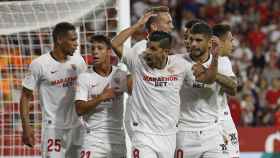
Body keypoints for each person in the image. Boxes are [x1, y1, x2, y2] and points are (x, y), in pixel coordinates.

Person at [20, 22, 87, 158]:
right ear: (59, 40)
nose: (77, 44)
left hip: (77, 126)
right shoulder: (39, 64)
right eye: (73, 40)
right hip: (53, 128)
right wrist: (26, 126)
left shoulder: (79, 61)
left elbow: (86, 91)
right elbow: (25, 96)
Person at [176, 22, 237, 158]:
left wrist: (210, 73)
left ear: (209, 43)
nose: (192, 44)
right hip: (184, 132)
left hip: (214, 130)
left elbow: (233, 88)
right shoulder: (177, 62)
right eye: (190, 39)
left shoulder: (222, 62)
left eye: (198, 40)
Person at [75, 35, 131, 158]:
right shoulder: (85, 77)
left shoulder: (120, 74)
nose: (95, 52)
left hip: (117, 139)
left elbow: (136, 92)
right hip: (93, 139)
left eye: (100, 48)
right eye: (93, 48)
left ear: (109, 51)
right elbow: (79, 109)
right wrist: (101, 97)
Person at [212, 23, 240, 158]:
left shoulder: (225, 61)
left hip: (223, 117)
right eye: (231, 40)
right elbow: (233, 89)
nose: (233, 44)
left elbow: (233, 88)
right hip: (214, 121)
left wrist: (212, 75)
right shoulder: (217, 60)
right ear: (220, 41)